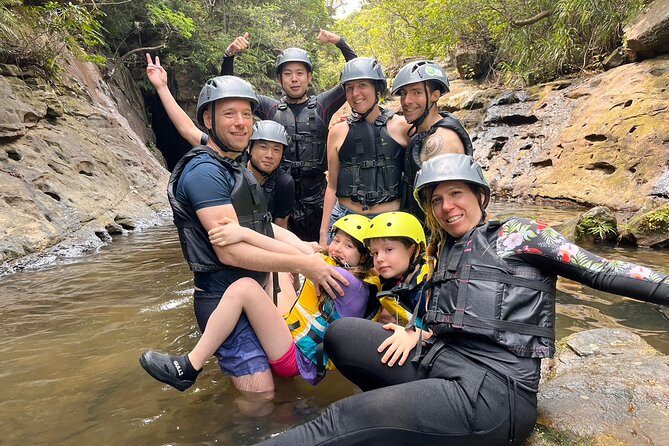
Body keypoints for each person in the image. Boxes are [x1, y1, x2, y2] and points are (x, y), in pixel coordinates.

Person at [255, 153, 669, 445]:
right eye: (436, 199)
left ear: (480, 196)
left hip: (495, 392)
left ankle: (374, 423)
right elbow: (450, 318)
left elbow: (606, 270)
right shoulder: (444, 251)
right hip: (443, 362)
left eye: (456, 194)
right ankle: (402, 424)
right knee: (343, 334)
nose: (446, 206)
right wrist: (418, 335)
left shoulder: (519, 234)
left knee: (342, 418)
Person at [140, 74, 348, 402]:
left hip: (256, 292)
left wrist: (306, 247)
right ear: (208, 120)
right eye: (229, 114)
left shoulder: (233, 164)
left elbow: (261, 225)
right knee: (260, 397)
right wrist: (302, 264)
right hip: (225, 299)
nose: (240, 123)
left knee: (282, 389)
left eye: (247, 114)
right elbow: (231, 253)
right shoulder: (206, 173)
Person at [140, 214, 377, 391]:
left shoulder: (350, 282)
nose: (338, 249)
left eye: (349, 246)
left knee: (245, 288)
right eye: (337, 240)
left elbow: (294, 254)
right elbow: (298, 247)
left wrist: (244, 233)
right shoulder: (347, 273)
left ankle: (189, 367)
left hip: (297, 360)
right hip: (294, 336)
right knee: (281, 272)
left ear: (364, 256)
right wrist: (251, 222)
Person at [221, 30, 358, 241]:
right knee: (282, 263)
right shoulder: (270, 108)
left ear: (309, 77)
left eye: (300, 73)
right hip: (279, 197)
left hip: (318, 200)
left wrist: (341, 42)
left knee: (321, 256)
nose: (294, 79)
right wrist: (229, 56)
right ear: (279, 79)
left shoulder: (322, 105)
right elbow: (231, 90)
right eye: (287, 74)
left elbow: (357, 75)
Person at [145, 54, 295, 228]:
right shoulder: (222, 161)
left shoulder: (283, 182)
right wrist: (162, 87)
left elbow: (276, 228)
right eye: (229, 114)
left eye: (246, 114)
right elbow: (187, 129)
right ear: (251, 148)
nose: (269, 155)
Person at [318, 58, 411, 246]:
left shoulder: (402, 127)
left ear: (377, 89)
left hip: (389, 220)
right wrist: (323, 232)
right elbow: (332, 186)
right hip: (345, 217)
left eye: (362, 85)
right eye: (349, 88)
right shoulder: (337, 131)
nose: (355, 93)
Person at [391, 60, 474, 222]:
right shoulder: (423, 131)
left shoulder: (442, 140)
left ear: (435, 95)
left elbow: (448, 206)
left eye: (416, 92)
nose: (407, 101)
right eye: (403, 93)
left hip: (434, 236)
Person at [363, 211, 430, 327]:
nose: (379, 258)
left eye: (388, 250)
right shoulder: (386, 283)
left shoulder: (428, 290)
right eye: (375, 253)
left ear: (414, 250)